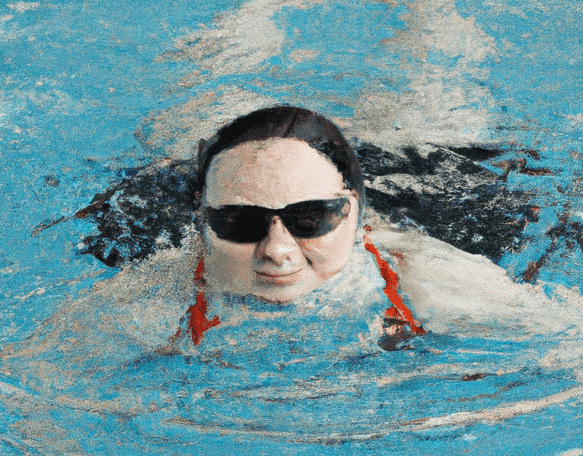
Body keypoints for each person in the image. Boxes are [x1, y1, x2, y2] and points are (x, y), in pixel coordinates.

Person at [180, 105, 425, 346]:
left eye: (309, 219)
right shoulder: (162, 292)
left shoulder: (423, 276)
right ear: (202, 216)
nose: (276, 251)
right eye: (242, 221)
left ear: (355, 209)